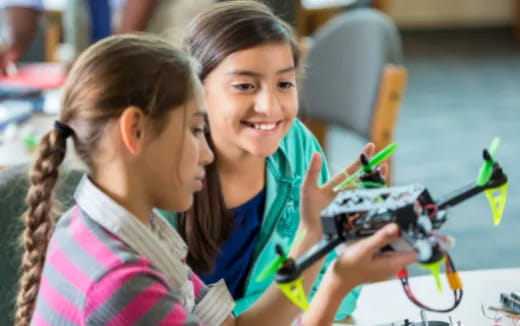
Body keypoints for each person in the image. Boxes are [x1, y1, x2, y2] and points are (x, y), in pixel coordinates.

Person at [14, 33, 416, 326]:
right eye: (194, 130)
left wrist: (314, 238)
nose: (206, 153)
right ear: (135, 130)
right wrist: (336, 284)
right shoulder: (123, 287)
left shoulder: (113, 229)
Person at [164, 0, 383, 319]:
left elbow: (338, 287)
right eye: (244, 86)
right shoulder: (163, 170)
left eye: (284, 84)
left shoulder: (296, 144)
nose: (269, 106)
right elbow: (162, 311)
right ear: (197, 91)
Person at [0, 0, 215, 73]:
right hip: (104, 41)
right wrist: (11, 45)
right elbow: (23, 4)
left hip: (167, 26)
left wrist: (109, 56)